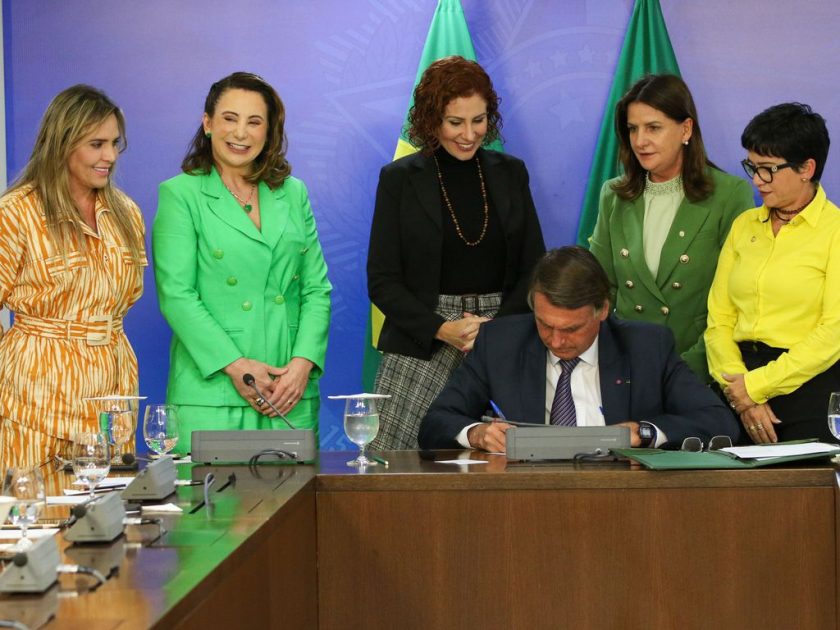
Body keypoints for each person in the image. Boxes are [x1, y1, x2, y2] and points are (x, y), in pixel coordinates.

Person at [368, 56, 545, 450]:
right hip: (422, 336)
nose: (469, 134)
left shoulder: (511, 173)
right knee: (391, 472)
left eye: (479, 120)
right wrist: (441, 328)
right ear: (432, 120)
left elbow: (535, 268)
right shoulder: (398, 178)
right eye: (455, 122)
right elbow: (382, 281)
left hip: (502, 332)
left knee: (505, 463)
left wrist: (494, 329)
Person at [153, 72, 331, 454]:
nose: (241, 133)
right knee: (211, 512)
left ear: (269, 131)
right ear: (208, 124)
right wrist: (236, 365)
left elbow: (317, 288)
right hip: (212, 392)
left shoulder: (293, 192)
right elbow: (176, 295)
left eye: (254, 122)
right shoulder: (180, 194)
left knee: (295, 510)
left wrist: (302, 365)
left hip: (288, 391)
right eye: (230, 118)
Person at [418, 247, 738, 452]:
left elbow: (719, 422)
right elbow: (436, 422)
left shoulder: (646, 347)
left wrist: (645, 432)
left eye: (571, 329)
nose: (556, 342)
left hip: (622, 499)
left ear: (602, 311)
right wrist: (477, 434)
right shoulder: (500, 342)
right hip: (524, 500)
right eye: (545, 325)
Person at [0, 85, 146, 468]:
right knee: (37, 516)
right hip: (33, 405)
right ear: (62, 143)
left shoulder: (127, 213)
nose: (110, 156)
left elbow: (126, 297)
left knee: (107, 521)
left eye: (115, 143)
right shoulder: (17, 213)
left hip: (111, 400)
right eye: (96, 144)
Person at [590, 74, 753, 381]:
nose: (640, 141)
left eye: (653, 128)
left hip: (699, 371)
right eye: (633, 129)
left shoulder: (730, 195)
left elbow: (737, 300)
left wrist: (683, 371)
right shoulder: (613, 195)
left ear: (686, 129)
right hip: (628, 369)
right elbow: (600, 290)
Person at [706, 103, 840, 444]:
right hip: (734, 378)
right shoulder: (744, 226)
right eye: (752, 166)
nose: (755, 180)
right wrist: (739, 389)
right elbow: (719, 319)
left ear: (806, 168)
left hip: (807, 382)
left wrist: (757, 386)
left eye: (767, 169)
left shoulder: (834, 231)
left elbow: (832, 334)